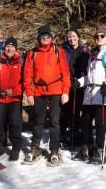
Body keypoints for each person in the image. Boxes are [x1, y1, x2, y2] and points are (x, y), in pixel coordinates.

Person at [23, 26, 71, 166]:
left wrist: (65, 91)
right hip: (39, 90)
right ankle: (35, 148)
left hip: (56, 89)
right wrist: (29, 93)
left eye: (47, 36)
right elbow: (27, 74)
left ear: (51, 38)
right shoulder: (32, 53)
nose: (45, 38)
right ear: (38, 38)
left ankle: (54, 149)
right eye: (42, 36)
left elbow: (65, 72)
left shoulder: (58, 51)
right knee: (38, 121)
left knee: (55, 121)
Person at [74, 26, 106, 164]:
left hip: (102, 92)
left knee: (100, 123)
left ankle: (101, 148)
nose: (99, 38)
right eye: (97, 36)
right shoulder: (93, 54)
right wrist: (79, 82)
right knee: (85, 121)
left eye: (102, 36)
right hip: (89, 93)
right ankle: (87, 145)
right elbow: (89, 76)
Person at [0, 37, 23, 161]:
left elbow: (25, 81)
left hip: (14, 98)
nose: (9, 49)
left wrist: (14, 92)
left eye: (12, 47)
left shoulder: (20, 62)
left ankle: (16, 147)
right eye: (7, 47)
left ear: (15, 49)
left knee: (15, 123)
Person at [60, 27, 90, 149]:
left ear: (78, 37)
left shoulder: (84, 50)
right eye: (69, 36)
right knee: (65, 109)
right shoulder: (64, 50)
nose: (72, 38)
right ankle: (62, 134)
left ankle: (75, 133)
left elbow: (87, 66)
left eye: (74, 36)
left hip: (80, 83)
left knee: (76, 110)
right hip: (66, 82)